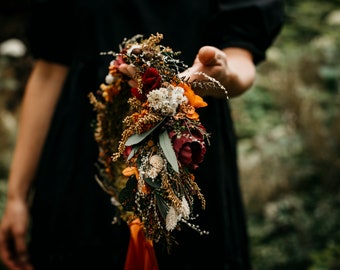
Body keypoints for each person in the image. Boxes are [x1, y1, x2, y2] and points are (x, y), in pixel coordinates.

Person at [0, 0, 284, 269]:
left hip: (185, 160)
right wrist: (16, 196)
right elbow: (50, 70)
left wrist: (221, 77)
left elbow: (239, 57)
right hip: (79, 165)